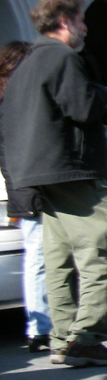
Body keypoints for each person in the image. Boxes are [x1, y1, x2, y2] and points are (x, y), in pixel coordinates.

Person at [2, 0, 107, 367]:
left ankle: (61, 338)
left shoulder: (25, 65)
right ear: (64, 21)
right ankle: (86, 337)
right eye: (81, 19)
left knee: (56, 258)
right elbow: (82, 108)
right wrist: (104, 97)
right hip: (73, 168)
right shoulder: (63, 57)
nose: (86, 26)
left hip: (36, 174)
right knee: (103, 248)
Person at [0, 41, 53, 352]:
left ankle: (40, 326)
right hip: (32, 187)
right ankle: (40, 327)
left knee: (38, 257)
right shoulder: (19, 104)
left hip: (20, 188)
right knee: (41, 256)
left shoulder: (7, 101)